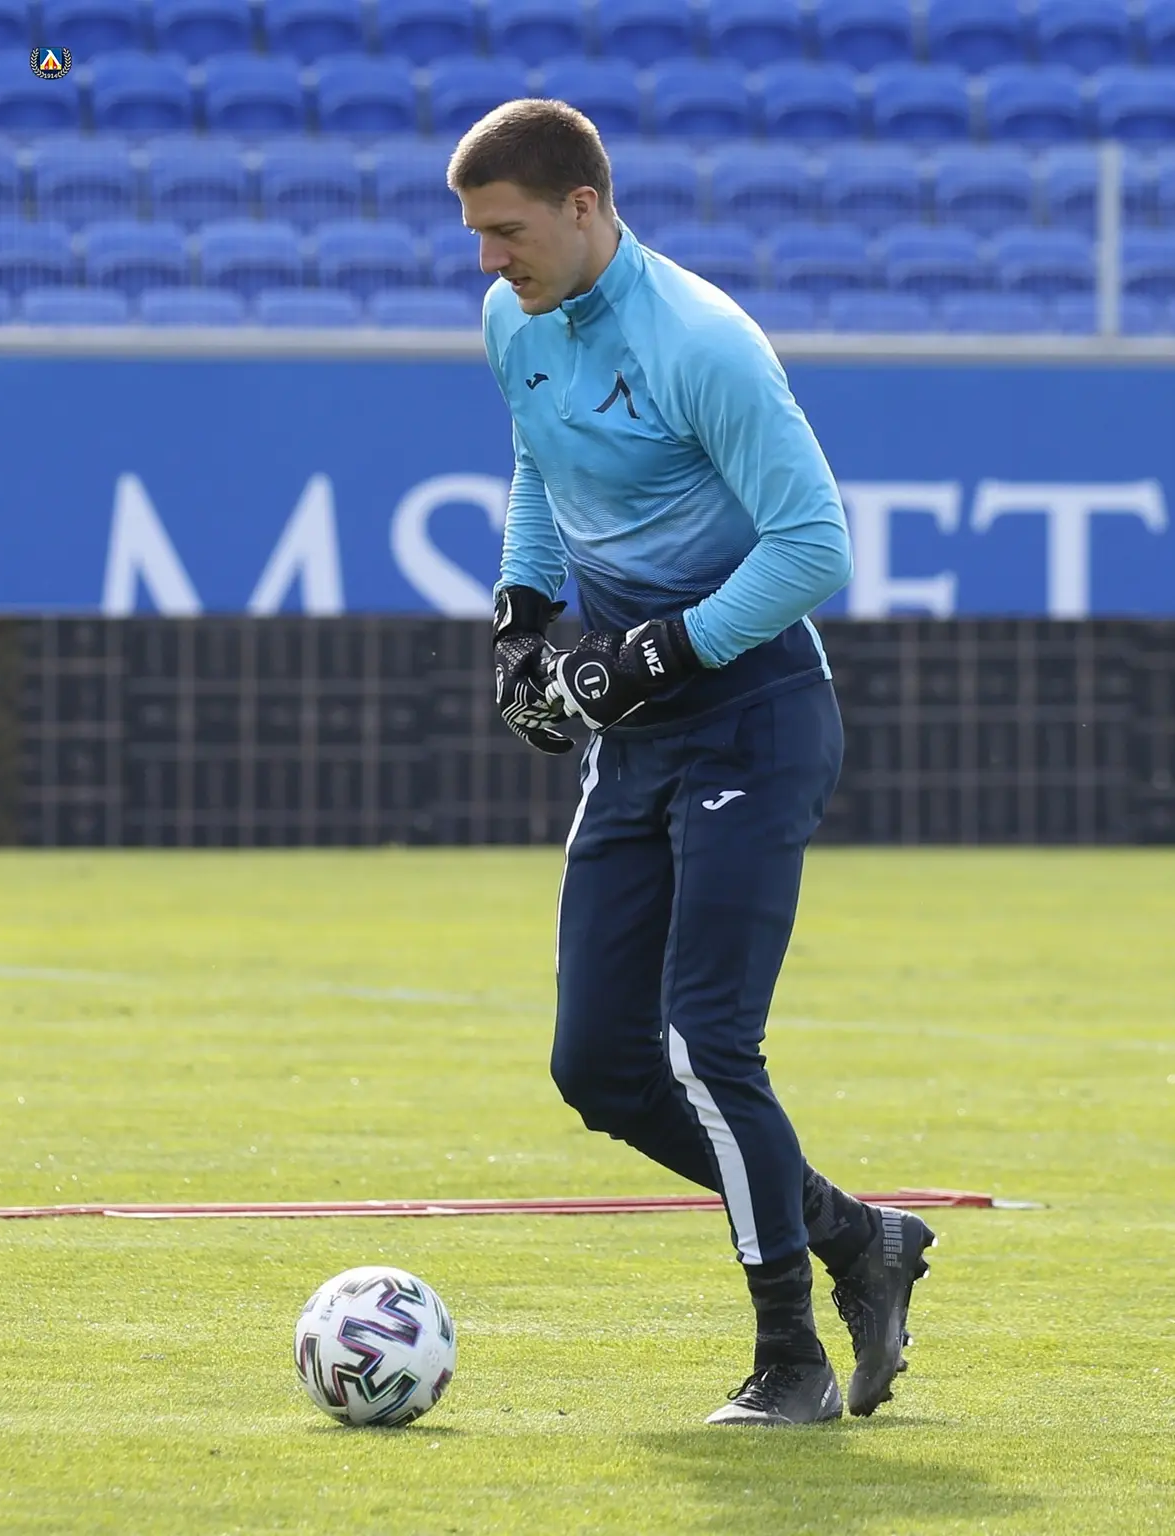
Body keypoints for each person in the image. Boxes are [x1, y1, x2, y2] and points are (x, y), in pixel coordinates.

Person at [447, 99, 935, 1427]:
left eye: (507, 231)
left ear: (585, 206)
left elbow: (815, 545)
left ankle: (791, 1359)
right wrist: (523, 618)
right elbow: (540, 464)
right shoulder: (511, 319)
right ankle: (858, 1238)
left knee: (705, 1045)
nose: (488, 260)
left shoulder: (703, 342)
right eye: (477, 236)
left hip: (755, 719)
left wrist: (660, 651)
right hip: (638, 736)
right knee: (597, 1067)